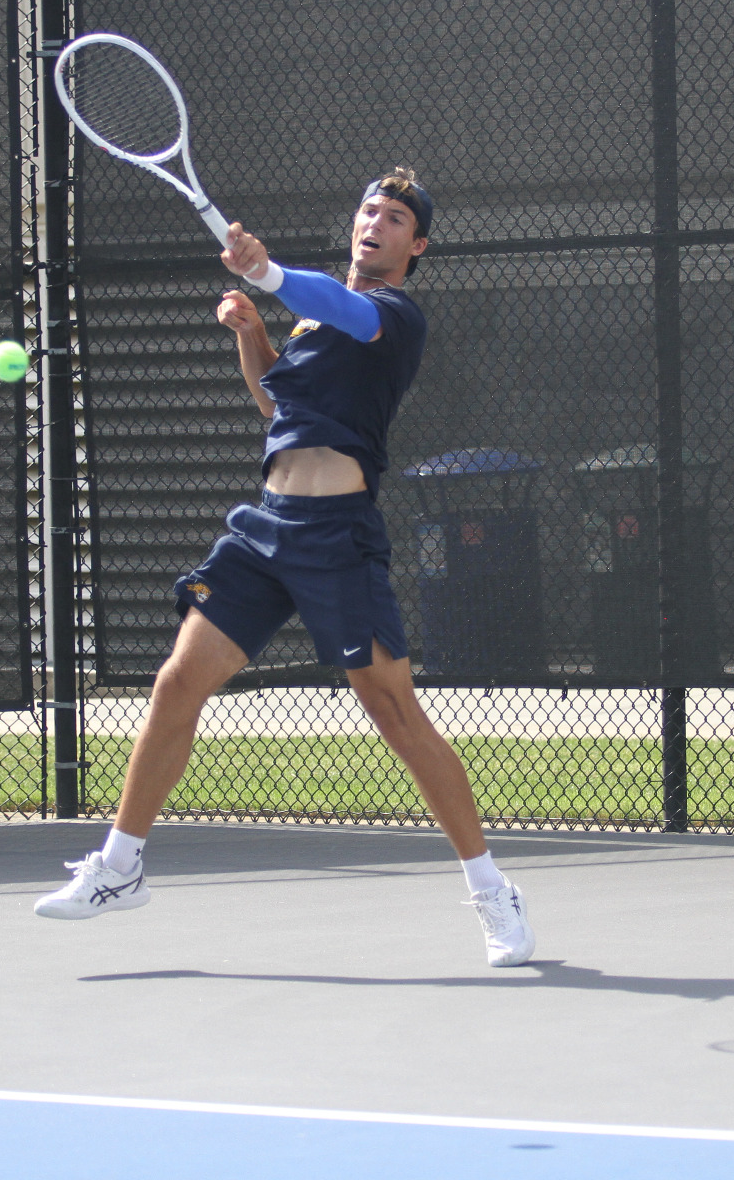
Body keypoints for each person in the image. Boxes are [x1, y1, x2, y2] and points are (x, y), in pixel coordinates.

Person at [33, 169, 536, 967]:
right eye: (369, 208)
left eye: (396, 217)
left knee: (395, 716)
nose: (376, 221)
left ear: (416, 245)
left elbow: (333, 304)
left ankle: (491, 890)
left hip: (337, 538)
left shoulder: (390, 316)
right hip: (266, 528)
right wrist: (248, 331)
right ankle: (120, 866)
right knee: (176, 680)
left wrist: (265, 275)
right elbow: (280, 403)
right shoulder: (310, 327)